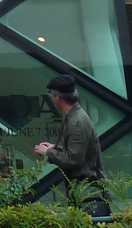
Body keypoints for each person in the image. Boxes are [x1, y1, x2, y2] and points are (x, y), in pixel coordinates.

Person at [34, 74, 108, 216]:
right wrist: (54, 149)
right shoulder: (76, 116)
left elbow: (74, 159)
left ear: (58, 97)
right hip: (86, 193)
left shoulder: (77, 122)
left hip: (88, 194)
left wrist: (48, 153)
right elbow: (78, 152)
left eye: (51, 94)